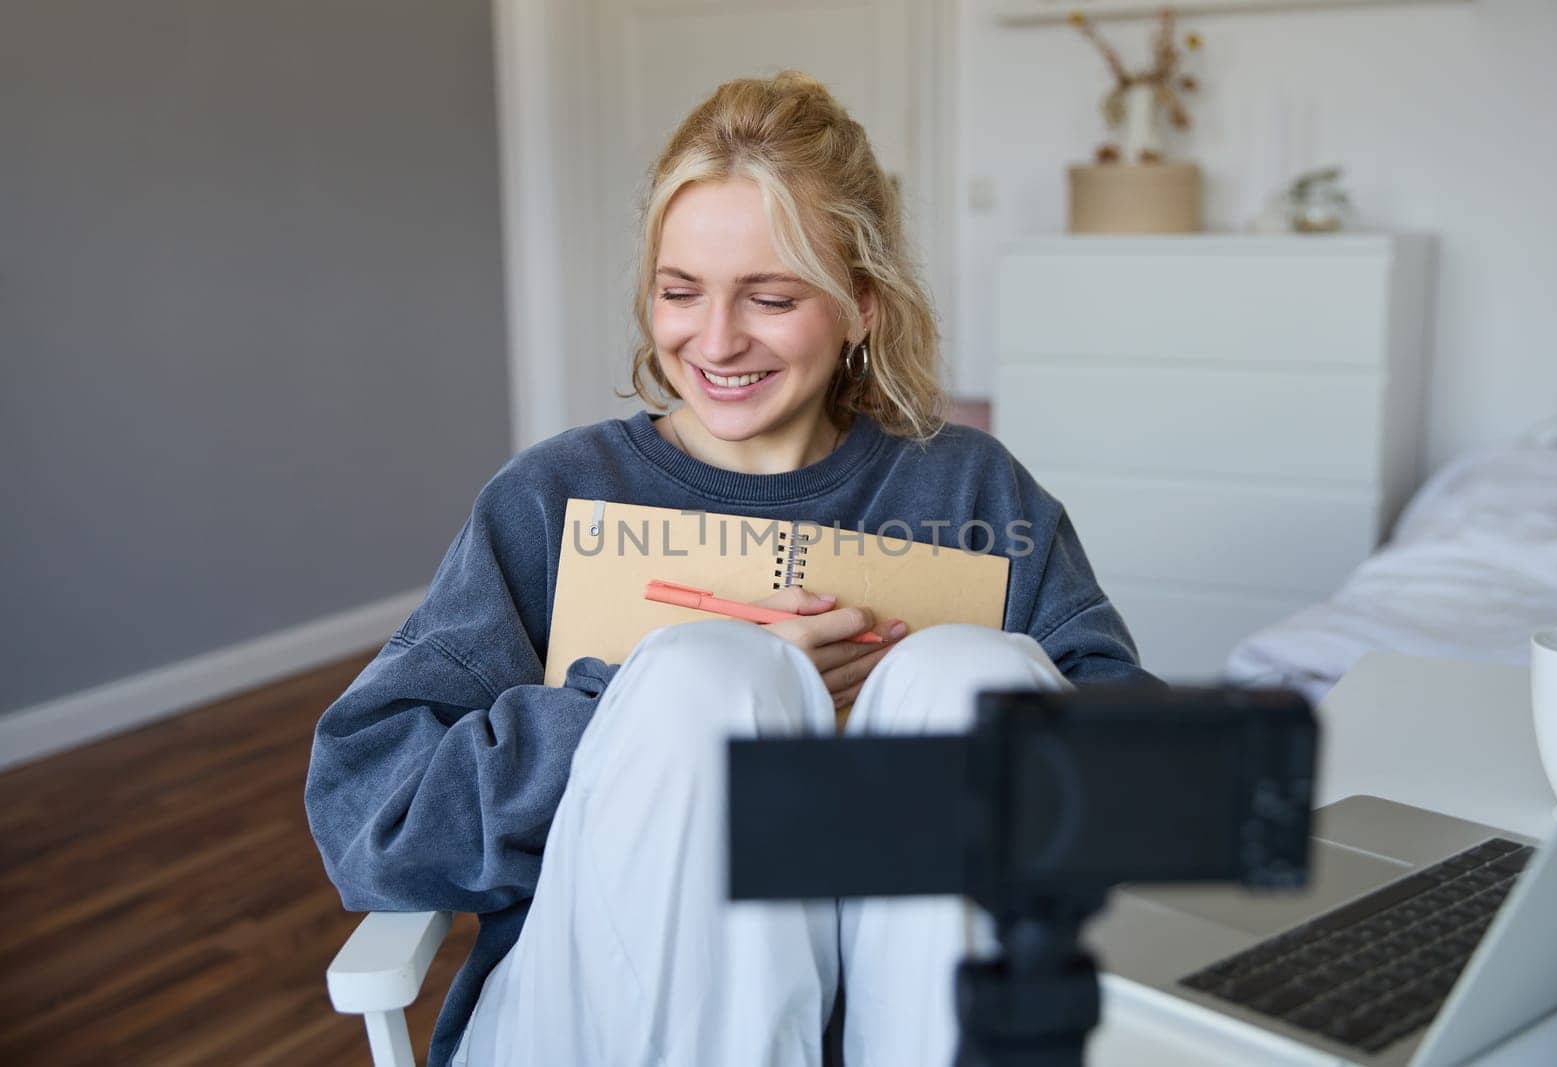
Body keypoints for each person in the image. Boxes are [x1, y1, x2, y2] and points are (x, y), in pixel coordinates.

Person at [306, 71, 1157, 1067]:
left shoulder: (970, 492)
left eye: (771, 296)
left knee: (969, 679)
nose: (714, 341)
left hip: (910, 1017)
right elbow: (371, 814)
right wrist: (630, 714)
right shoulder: (556, 494)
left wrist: (910, 718)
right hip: (602, 1015)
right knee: (709, 677)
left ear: (862, 305)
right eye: (679, 292)